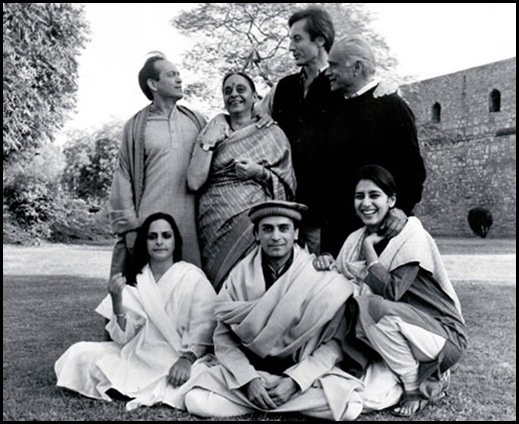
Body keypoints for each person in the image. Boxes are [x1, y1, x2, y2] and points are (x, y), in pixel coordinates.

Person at [183, 200, 402, 421]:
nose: (276, 236)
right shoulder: (238, 278)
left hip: (300, 374)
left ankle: (266, 402)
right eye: (267, 229)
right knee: (196, 400)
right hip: (253, 373)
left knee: (350, 407)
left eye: (283, 228)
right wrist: (248, 380)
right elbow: (223, 337)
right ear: (256, 235)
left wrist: (295, 381)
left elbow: (334, 343)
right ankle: (270, 400)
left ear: (296, 233)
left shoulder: (320, 275)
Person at [314, 165, 467, 418]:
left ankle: (414, 386)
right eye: (359, 196)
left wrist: (370, 251)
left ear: (391, 200)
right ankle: (431, 379)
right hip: (390, 339)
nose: (366, 203)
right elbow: (342, 286)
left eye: (374, 195)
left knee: (371, 306)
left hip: (439, 337)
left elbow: (391, 292)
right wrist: (327, 264)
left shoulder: (410, 234)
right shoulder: (353, 240)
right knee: (365, 399)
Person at [256, 6, 395, 254]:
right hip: (288, 210)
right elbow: (250, 120)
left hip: (331, 215)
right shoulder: (283, 89)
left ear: (320, 39)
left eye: (297, 39)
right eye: (290, 39)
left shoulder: (341, 86)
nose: (290, 47)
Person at [55, 212, 217, 411]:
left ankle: (129, 386)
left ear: (176, 241)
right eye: (152, 237)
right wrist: (116, 299)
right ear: (145, 242)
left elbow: (206, 323)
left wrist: (187, 359)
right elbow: (123, 338)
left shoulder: (191, 276)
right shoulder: (138, 279)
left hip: (177, 356)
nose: (159, 242)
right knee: (78, 353)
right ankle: (135, 385)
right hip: (139, 354)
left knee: (201, 378)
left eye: (166, 236)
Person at [187, 72, 296, 291]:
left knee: (252, 283)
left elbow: (288, 184)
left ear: (255, 96)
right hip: (213, 219)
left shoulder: (272, 133)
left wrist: (261, 173)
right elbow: (194, 182)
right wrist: (209, 141)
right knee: (218, 280)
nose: (234, 95)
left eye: (240, 89)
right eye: (227, 91)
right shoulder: (212, 130)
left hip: (253, 219)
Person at [321, 35, 427, 256]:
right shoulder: (332, 107)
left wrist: (400, 209)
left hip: (381, 231)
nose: (328, 72)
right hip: (338, 235)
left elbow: (413, 170)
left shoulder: (393, 107)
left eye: (333, 65)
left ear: (357, 67)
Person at [108, 55, 206, 281]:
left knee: (189, 292)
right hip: (149, 229)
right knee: (143, 293)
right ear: (153, 84)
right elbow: (123, 177)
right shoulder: (135, 127)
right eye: (171, 75)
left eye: (178, 74)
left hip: (190, 228)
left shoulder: (197, 121)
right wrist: (131, 227)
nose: (179, 80)